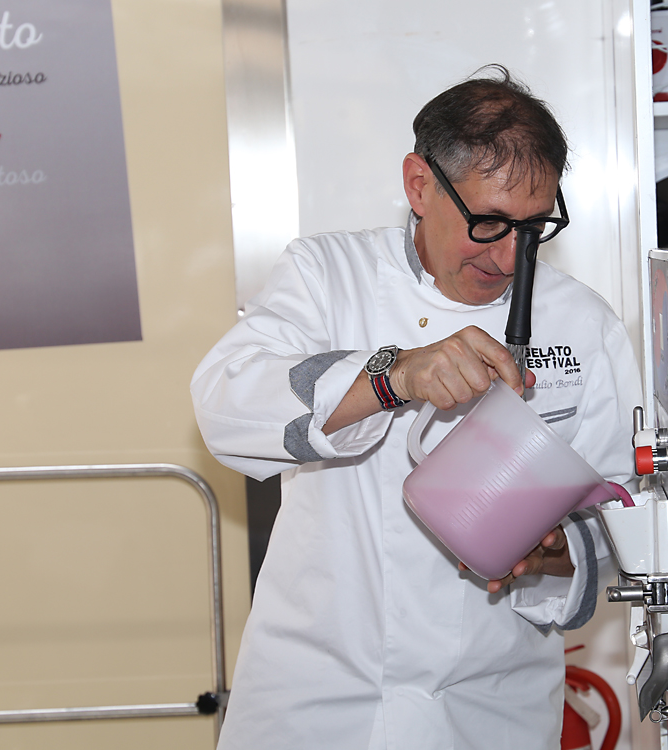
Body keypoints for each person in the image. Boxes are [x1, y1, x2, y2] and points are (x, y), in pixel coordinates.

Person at [190, 65, 641, 749]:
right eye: (488, 222)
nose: (508, 256)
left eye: (532, 227)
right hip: (316, 698)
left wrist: (555, 551)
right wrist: (391, 374)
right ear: (419, 185)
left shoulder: (583, 323)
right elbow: (225, 406)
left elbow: (627, 520)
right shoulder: (326, 276)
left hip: (489, 705)